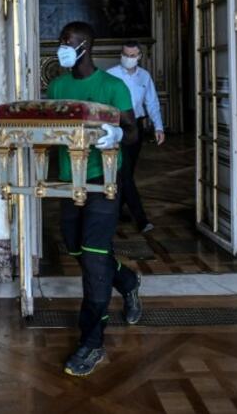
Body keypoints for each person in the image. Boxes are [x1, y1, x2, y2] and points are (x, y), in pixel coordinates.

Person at [47, 21, 142, 377]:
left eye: (67, 41)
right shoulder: (57, 85)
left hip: (104, 180)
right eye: (60, 41)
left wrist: (117, 132)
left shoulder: (112, 86)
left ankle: (92, 341)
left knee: (94, 257)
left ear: (86, 46)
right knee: (75, 247)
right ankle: (128, 282)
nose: (62, 47)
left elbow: (133, 132)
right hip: (69, 181)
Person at [106, 41, 165, 233]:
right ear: (120, 54)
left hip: (136, 127)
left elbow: (152, 102)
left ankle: (118, 210)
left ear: (139, 56)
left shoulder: (144, 77)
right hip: (117, 127)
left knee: (127, 173)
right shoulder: (111, 75)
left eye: (133, 56)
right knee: (125, 174)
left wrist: (159, 127)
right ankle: (141, 220)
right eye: (125, 54)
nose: (128, 58)